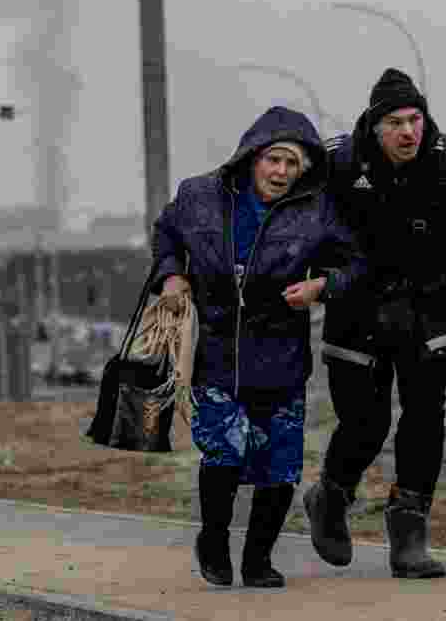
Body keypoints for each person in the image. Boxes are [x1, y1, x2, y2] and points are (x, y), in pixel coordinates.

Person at [304, 68, 446, 579]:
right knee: (365, 424)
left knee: (425, 417)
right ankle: (330, 497)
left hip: (426, 306)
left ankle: (409, 532)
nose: (408, 131)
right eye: (395, 123)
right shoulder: (336, 160)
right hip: (355, 307)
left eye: (414, 119)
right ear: (375, 125)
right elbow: (286, 217)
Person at [148, 106, 367, 588]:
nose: (281, 172)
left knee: (280, 466)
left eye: (292, 164)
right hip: (217, 351)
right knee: (224, 452)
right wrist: (171, 275)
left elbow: (356, 264)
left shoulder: (317, 210)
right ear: (252, 158)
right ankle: (213, 540)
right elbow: (165, 233)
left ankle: (258, 559)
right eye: (273, 160)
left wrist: (322, 287)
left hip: (281, 353)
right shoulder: (200, 196)